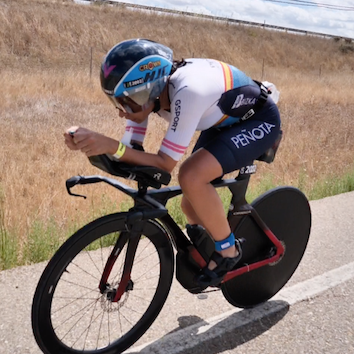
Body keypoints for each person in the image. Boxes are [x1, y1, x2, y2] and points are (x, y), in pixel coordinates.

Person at [63, 38, 282, 286]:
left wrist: (111, 145)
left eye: (124, 101)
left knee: (191, 177)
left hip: (258, 121)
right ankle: (209, 241)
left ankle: (228, 252)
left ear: (148, 92)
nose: (121, 110)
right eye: (116, 101)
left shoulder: (189, 92)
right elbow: (132, 150)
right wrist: (89, 145)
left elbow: (164, 164)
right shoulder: (149, 95)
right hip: (223, 120)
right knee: (191, 206)